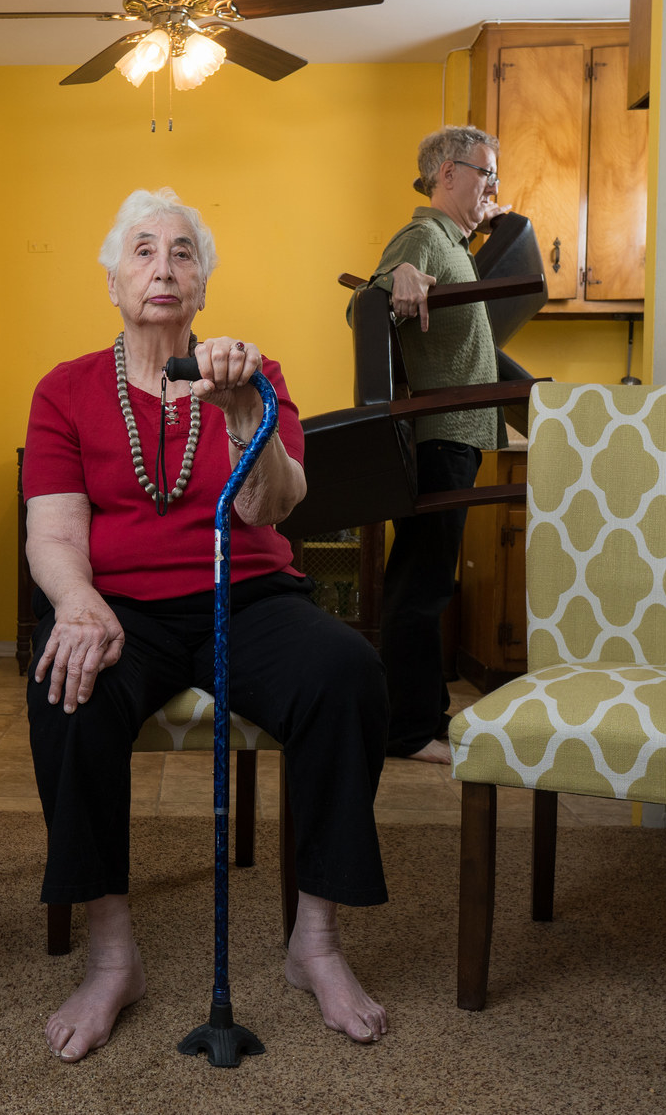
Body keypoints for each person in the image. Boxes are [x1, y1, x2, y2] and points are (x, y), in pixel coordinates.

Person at [23, 187, 390, 1063]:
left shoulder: (256, 374)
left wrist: (240, 413)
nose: (163, 266)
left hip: (250, 595)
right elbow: (55, 532)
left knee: (348, 672)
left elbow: (274, 506)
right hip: (124, 608)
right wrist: (77, 603)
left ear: (202, 284)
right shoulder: (65, 389)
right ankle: (113, 956)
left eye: (182, 252)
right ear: (113, 280)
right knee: (64, 683)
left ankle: (317, 942)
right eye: (143, 251)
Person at [362, 125, 512, 764]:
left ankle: (421, 716)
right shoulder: (423, 238)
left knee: (424, 581)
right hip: (438, 436)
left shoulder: (455, 244)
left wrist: (492, 213)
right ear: (446, 174)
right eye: (485, 174)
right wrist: (394, 277)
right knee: (421, 587)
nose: (492, 188)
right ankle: (409, 729)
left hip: (457, 435)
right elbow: (365, 308)